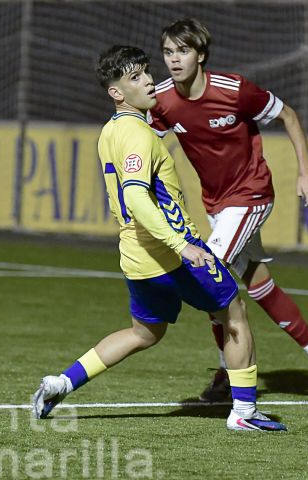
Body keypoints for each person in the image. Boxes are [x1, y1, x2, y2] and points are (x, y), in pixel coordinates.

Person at [32, 45, 286, 432]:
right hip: (173, 254)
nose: (149, 80)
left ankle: (61, 383)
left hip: (136, 257)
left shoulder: (110, 131)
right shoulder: (139, 136)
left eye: (145, 73)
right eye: (134, 78)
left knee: (144, 333)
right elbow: (135, 196)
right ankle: (244, 413)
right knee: (233, 309)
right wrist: (181, 244)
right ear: (116, 93)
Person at [147, 18, 308, 402]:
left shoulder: (234, 90)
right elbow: (146, 142)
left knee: (207, 273)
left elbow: (288, 115)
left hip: (252, 195)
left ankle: (227, 375)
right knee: (256, 283)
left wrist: (306, 172)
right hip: (218, 205)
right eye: (168, 52)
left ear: (200, 55)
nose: (173, 59)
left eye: (182, 51)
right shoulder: (164, 99)